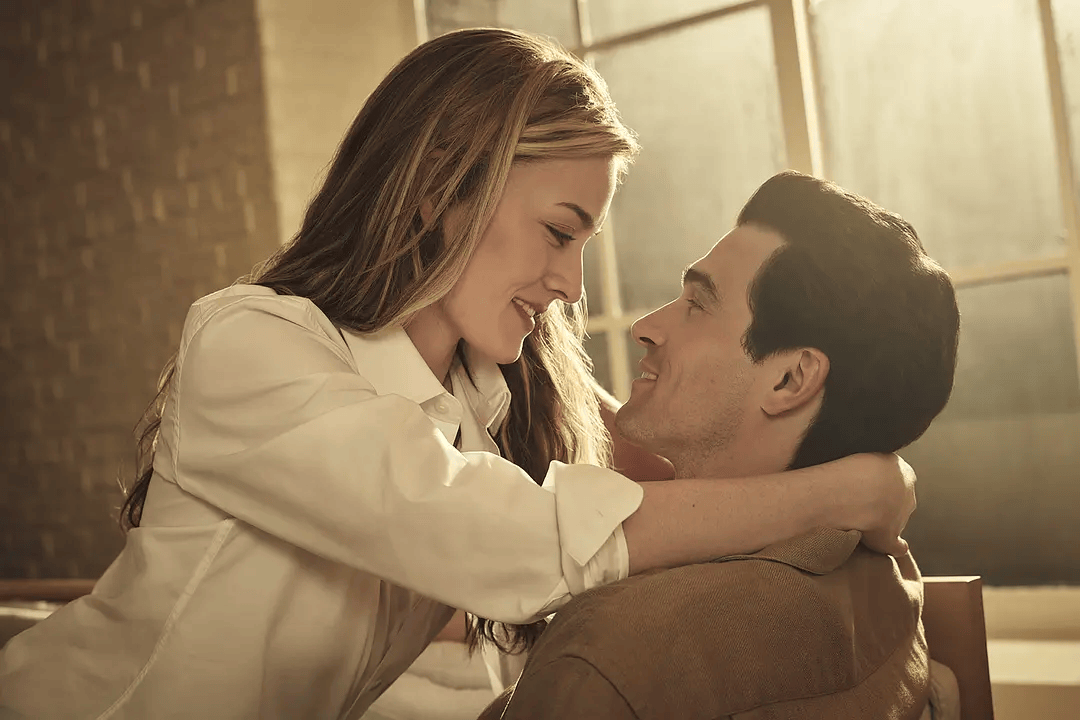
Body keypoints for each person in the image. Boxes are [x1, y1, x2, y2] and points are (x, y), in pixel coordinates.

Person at [0, 30, 915, 720]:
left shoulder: (490, 393)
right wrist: (848, 490)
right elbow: (529, 538)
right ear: (442, 187)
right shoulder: (251, 342)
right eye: (558, 232)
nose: (572, 284)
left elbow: (679, 474)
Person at [479, 171, 961, 720]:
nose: (646, 326)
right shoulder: (889, 584)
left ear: (790, 380)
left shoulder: (607, 656)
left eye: (697, 304)